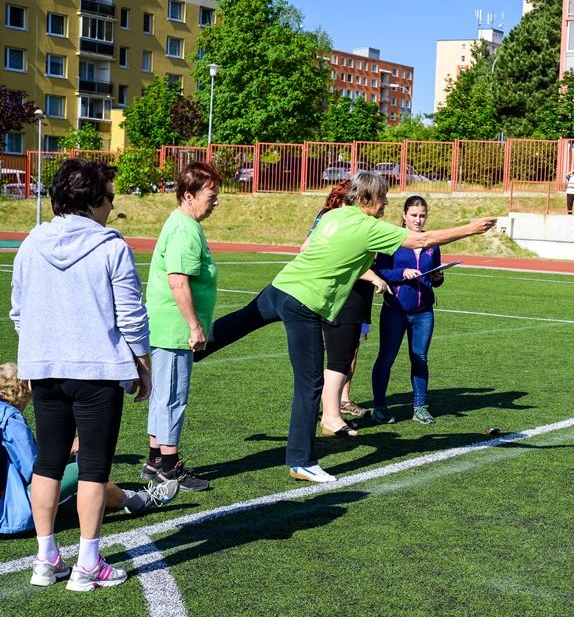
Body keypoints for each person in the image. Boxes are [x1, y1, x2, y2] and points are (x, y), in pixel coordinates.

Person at [191, 171, 496, 483]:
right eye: (383, 198)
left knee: (237, 323)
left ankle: (184, 354)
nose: (386, 204)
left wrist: (371, 274)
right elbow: (422, 239)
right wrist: (472, 229)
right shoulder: (369, 226)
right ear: (366, 199)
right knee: (310, 384)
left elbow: (336, 253)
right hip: (304, 303)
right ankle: (301, 461)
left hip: (280, 287)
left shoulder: (334, 215)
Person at [10, 158, 152, 591]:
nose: (113, 206)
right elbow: (131, 317)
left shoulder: (31, 243)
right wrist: (143, 366)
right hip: (96, 370)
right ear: (92, 200)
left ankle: (45, 557)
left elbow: (19, 311)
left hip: (45, 369)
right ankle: (87, 562)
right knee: (92, 467)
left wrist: (40, 352)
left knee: (48, 463)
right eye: (110, 197)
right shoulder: (112, 247)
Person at [1, 363, 178, 538]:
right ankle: (138, 500)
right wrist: (68, 449)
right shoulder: (10, 418)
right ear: (21, 392)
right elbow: (32, 469)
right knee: (82, 470)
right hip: (12, 511)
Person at [141, 162, 222, 492]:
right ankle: (169, 467)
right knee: (172, 395)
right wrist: (194, 325)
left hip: (165, 325)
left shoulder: (182, 223)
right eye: (211, 195)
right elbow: (178, 282)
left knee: (163, 394)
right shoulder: (185, 228)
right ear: (189, 196)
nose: (216, 201)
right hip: (173, 327)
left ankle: (155, 459)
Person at [300, 183, 392, 438]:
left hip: (356, 297)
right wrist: (372, 276)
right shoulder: (330, 219)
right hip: (335, 296)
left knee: (348, 352)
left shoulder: (364, 223)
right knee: (327, 354)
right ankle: (325, 412)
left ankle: (339, 403)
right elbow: (316, 251)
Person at [369, 196, 445, 425]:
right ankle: (380, 407)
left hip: (424, 312)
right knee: (387, 358)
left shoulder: (432, 244)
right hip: (396, 309)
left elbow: (436, 279)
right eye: (413, 215)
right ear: (404, 215)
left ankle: (420, 407)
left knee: (420, 358)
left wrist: (438, 276)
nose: (418, 220)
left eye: (422, 216)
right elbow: (379, 270)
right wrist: (401, 274)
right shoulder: (392, 240)